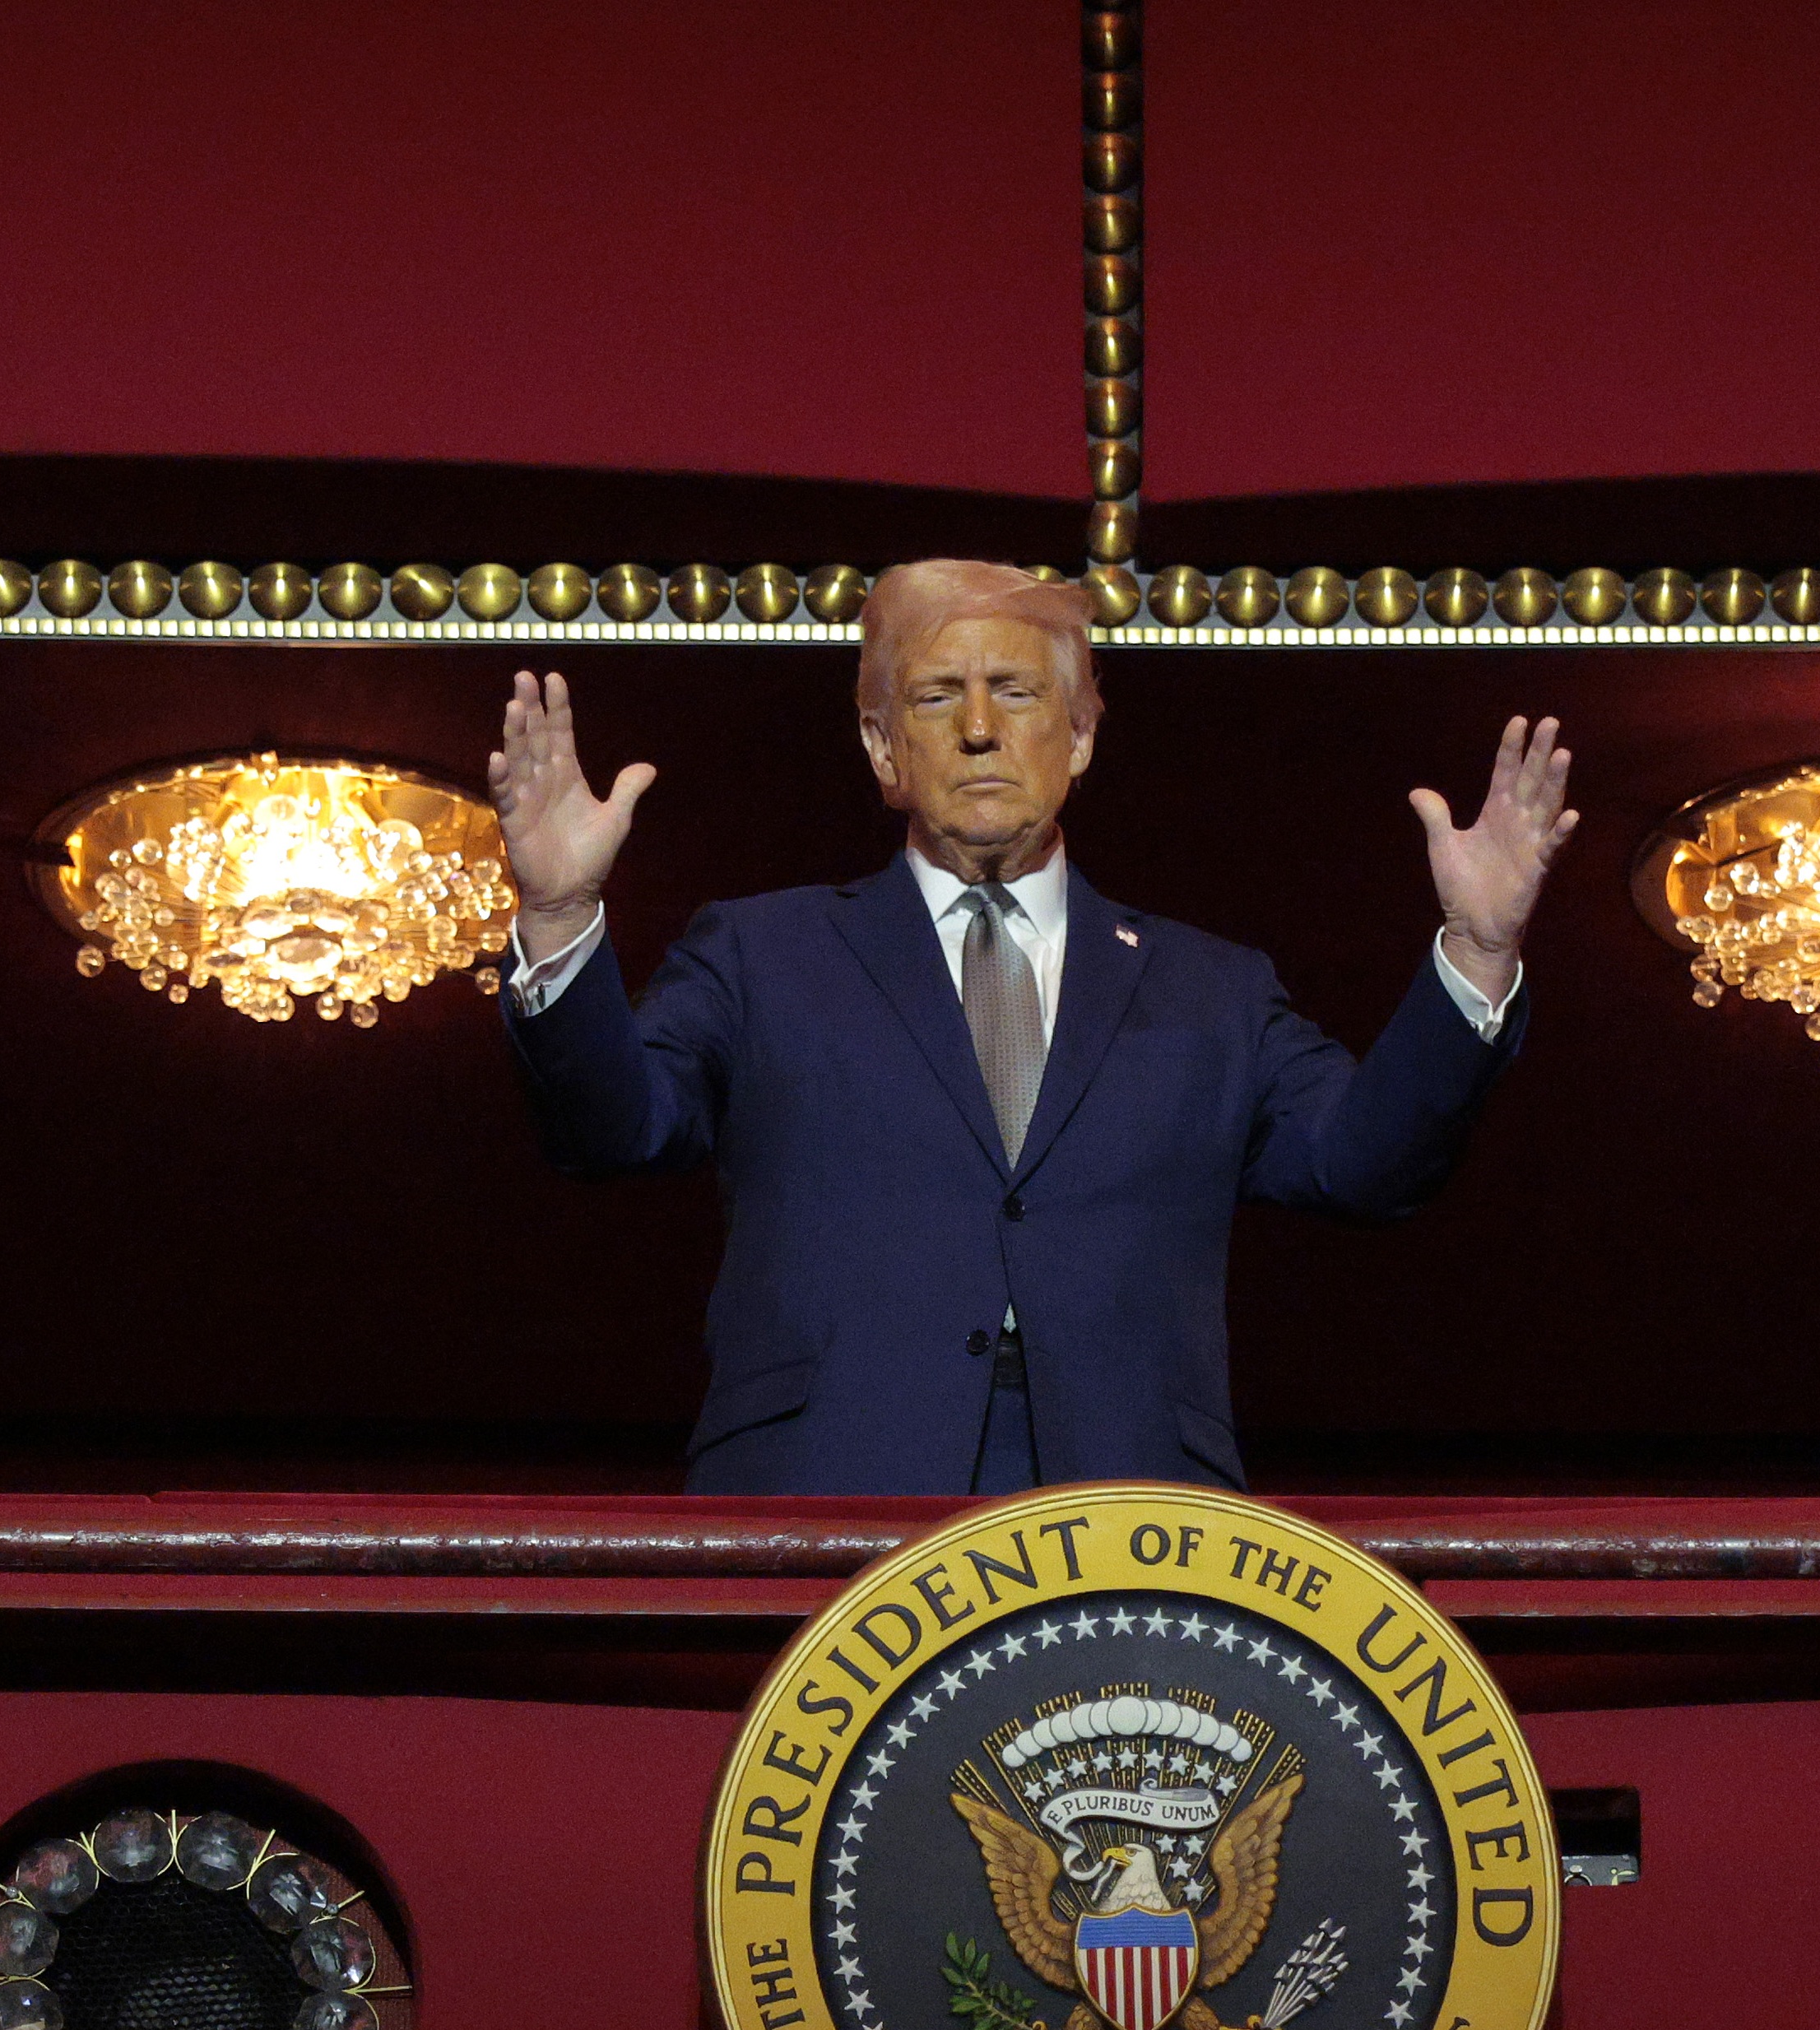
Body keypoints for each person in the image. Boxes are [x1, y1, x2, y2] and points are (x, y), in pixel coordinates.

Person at [486, 557, 1576, 1495]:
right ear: (879, 748)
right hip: (830, 1493)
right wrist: (556, 916)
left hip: (1126, 1509)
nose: (975, 729)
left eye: (1012, 690)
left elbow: (1366, 1165)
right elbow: (610, 1130)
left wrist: (1477, 951)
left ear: (1083, 734)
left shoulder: (1213, 990)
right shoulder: (758, 954)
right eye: (933, 698)